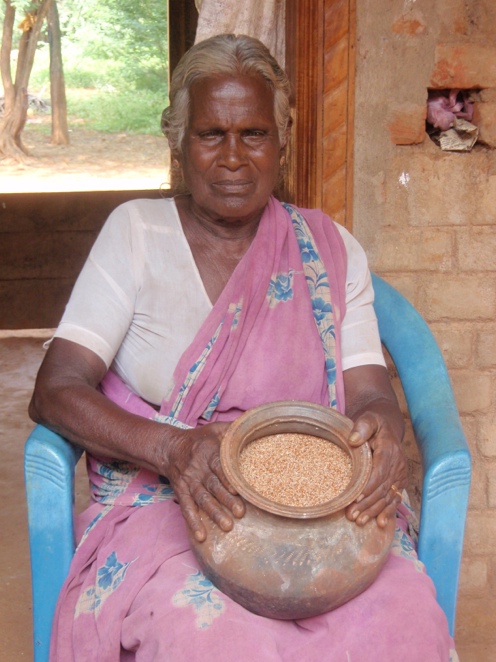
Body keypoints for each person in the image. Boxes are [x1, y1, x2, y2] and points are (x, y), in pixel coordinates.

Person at [29, 33, 456, 662]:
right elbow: (56, 391)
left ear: (281, 144)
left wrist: (384, 434)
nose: (233, 157)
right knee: (214, 638)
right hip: (174, 502)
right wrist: (173, 449)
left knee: (406, 618)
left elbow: (369, 393)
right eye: (211, 135)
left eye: (253, 134)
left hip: (317, 516)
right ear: (179, 145)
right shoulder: (135, 236)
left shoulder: (327, 252)